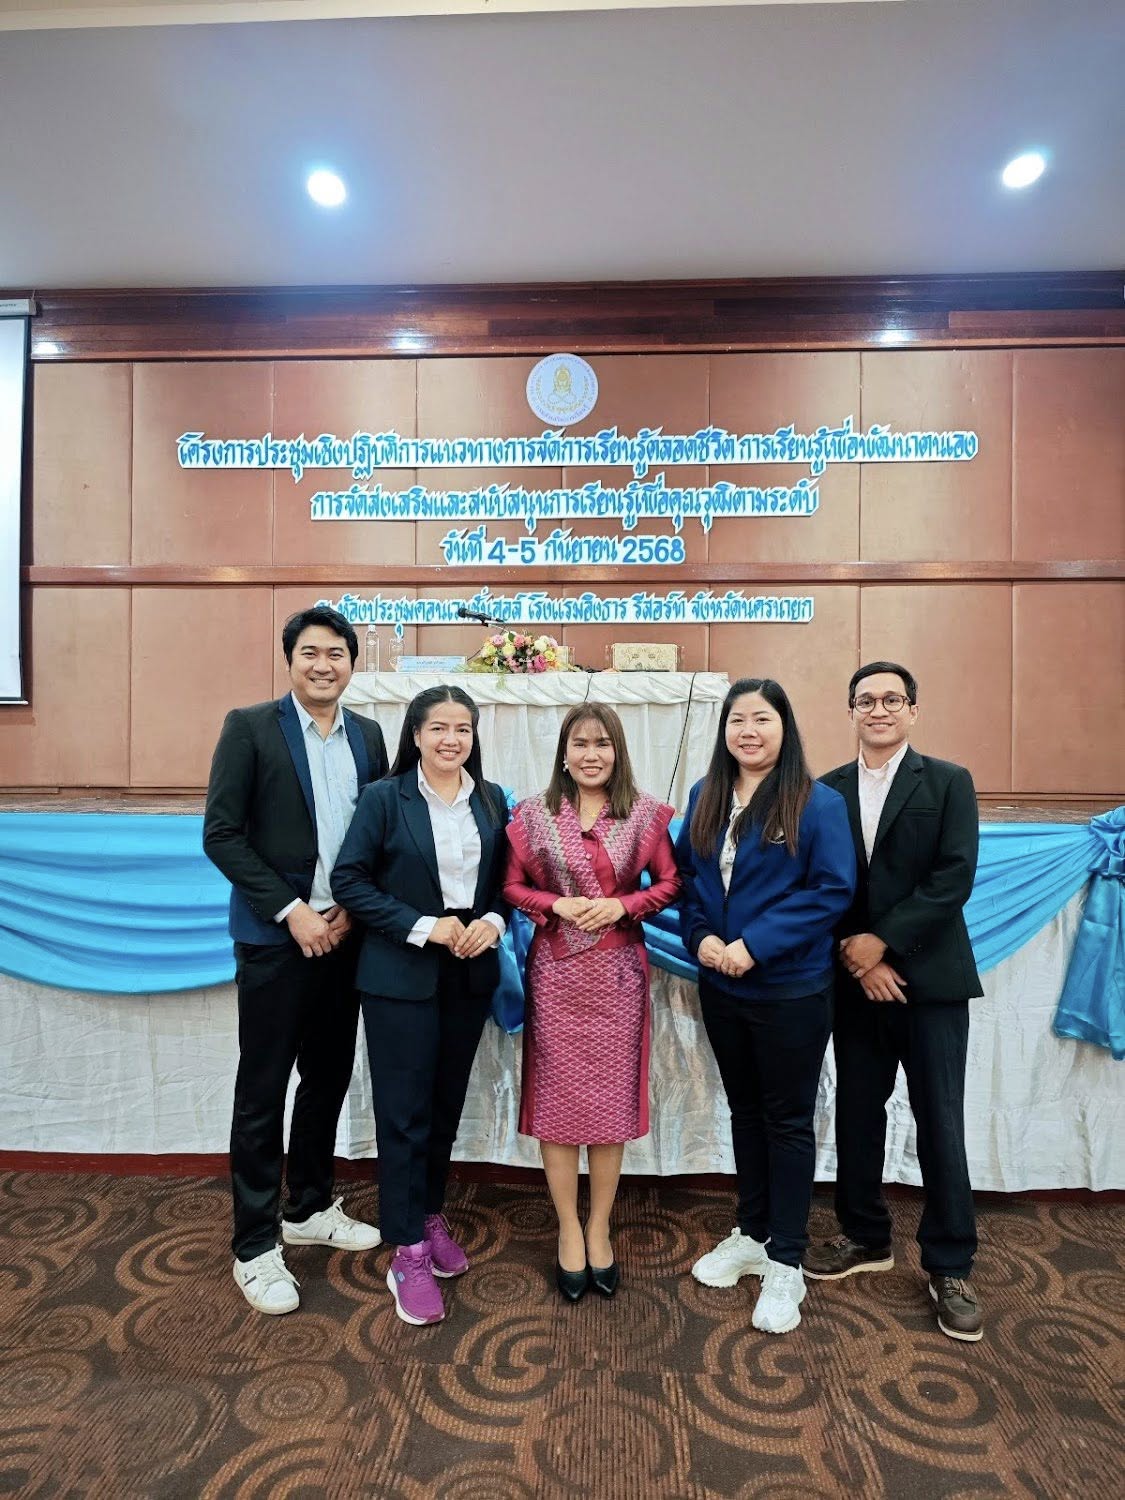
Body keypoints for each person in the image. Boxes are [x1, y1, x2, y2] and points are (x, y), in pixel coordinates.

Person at [203, 605, 388, 1316]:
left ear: (351, 664)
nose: (323, 665)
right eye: (310, 652)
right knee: (262, 1091)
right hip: (276, 939)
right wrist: (293, 910)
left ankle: (308, 1205)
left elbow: (376, 833)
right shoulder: (249, 728)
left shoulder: (368, 736)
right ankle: (254, 1245)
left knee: (328, 1076)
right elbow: (221, 834)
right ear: (291, 660)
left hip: (345, 937)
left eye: (336, 653)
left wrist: (351, 909)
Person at [802, 661, 985, 1342]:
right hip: (856, 983)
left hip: (930, 983)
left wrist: (884, 945)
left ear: (912, 710)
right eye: (865, 700)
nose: (878, 709)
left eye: (891, 699)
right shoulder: (825, 790)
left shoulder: (948, 782)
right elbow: (820, 883)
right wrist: (860, 955)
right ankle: (864, 1235)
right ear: (851, 711)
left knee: (940, 1120)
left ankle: (949, 1265)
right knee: (856, 1113)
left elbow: (952, 878)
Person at [677, 678, 855, 1335]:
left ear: (785, 727)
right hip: (721, 986)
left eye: (762, 719)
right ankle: (751, 1233)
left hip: (789, 989)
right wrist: (701, 938)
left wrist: (754, 945)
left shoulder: (818, 802)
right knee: (744, 1112)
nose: (748, 731)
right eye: (737, 720)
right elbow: (690, 881)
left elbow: (830, 891)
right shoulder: (706, 794)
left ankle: (786, 1260)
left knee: (786, 1122)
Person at [330, 686, 509, 1326]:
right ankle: (406, 1248)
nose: (451, 740)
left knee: (443, 1109)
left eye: (462, 729)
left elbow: (506, 885)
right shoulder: (385, 799)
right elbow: (349, 880)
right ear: (415, 735)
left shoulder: (492, 799)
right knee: (403, 1114)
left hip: (468, 972)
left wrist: (492, 921)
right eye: (438, 728)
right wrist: (422, 926)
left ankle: (429, 1214)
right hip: (400, 974)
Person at [502, 705, 680, 1302]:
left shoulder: (645, 813)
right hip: (555, 974)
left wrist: (622, 906)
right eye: (579, 743)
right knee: (556, 1104)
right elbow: (510, 886)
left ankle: (599, 1227)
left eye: (602, 743)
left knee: (610, 1107)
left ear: (617, 751)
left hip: (618, 974)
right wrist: (553, 904)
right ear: (563, 753)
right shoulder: (533, 815)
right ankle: (567, 1228)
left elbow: (671, 883)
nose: (591, 754)